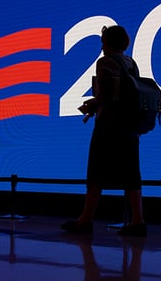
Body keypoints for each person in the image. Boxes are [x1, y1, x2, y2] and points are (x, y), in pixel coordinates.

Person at [61, 25, 147, 237]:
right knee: (131, 174)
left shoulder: (105, 62)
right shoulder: (131, 63)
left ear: (108, 42)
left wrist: (93, 104)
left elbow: (108, 94)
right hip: (130, 127)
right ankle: (138, 221)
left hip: (109, 125)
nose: (101, 45)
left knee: (96, 172)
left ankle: (85, 220)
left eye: (103, 41)